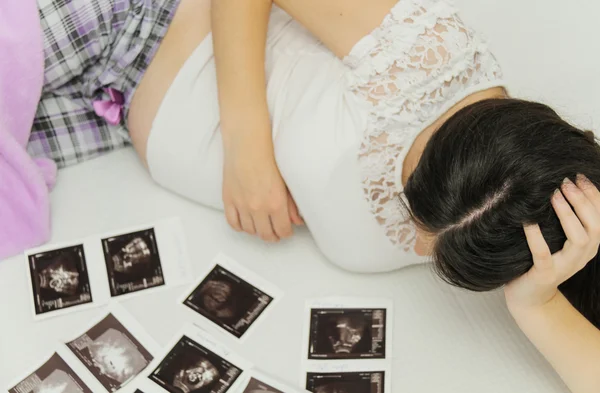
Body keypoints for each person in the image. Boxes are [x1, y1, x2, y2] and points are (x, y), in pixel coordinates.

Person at [26, 0, 600, 391]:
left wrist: (538, 305)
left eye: (438, 255)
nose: (418, 246)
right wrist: (247, 146)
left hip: (104, 118)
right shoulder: (426, 54)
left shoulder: (532, 246)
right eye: (417, 212)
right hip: (138, 23)